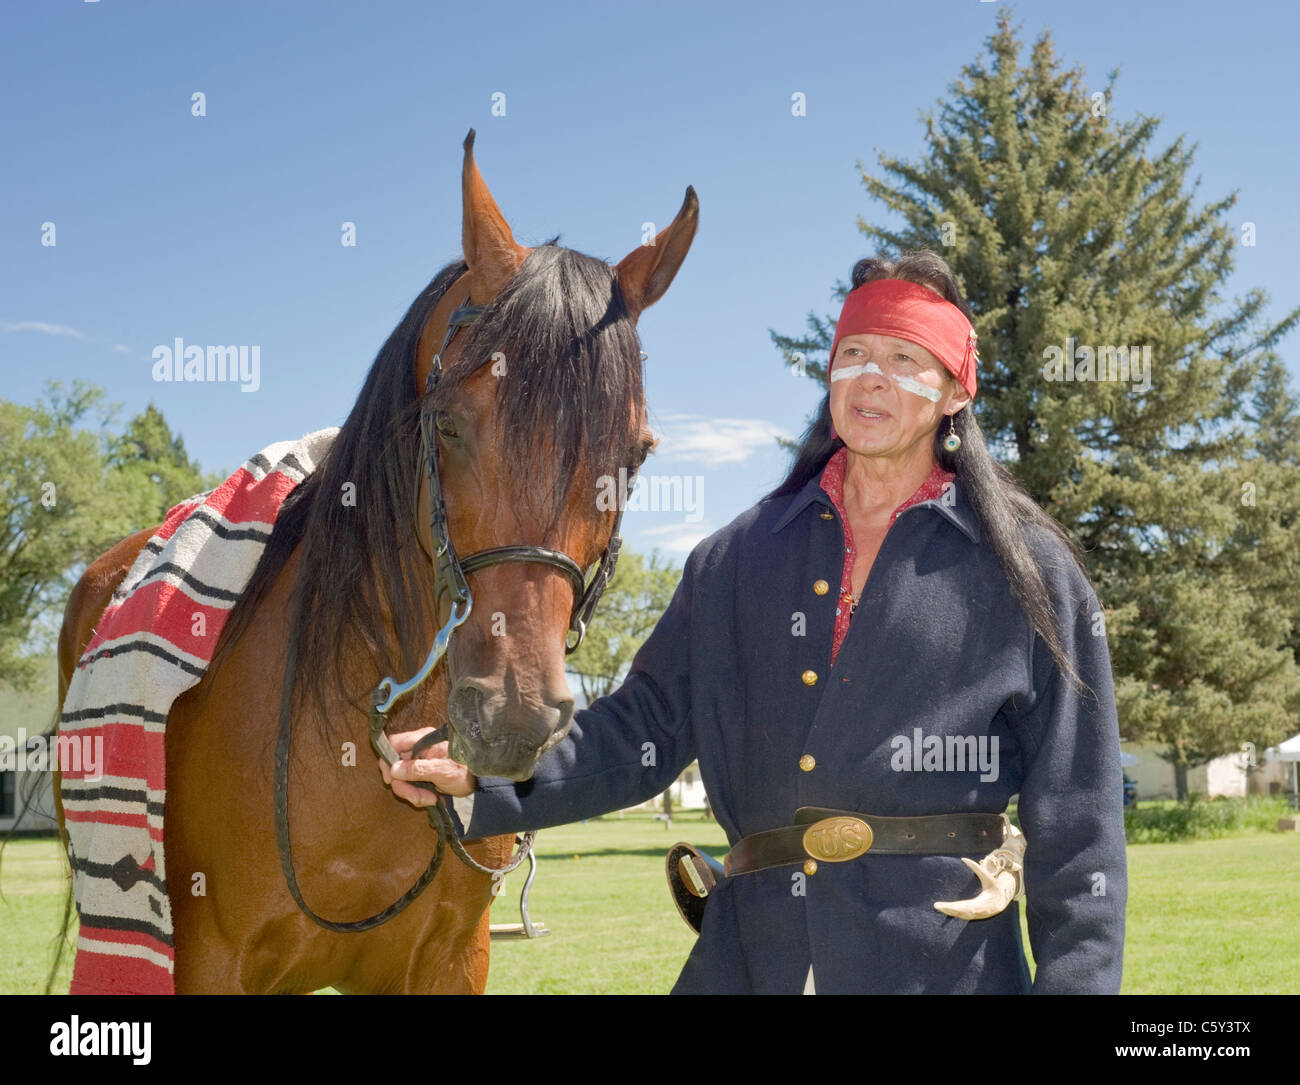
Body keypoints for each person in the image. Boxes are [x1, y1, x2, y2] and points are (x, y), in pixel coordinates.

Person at [381, 250, 1127, 994]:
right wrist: (484, 771)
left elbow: (1079, 830)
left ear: (954, 390)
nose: (872, 377)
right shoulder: (733, 558)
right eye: (856, 353)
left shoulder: (1033, 576)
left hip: (942, 967)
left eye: (907, 358)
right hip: (750, 958)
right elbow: (642, 730)